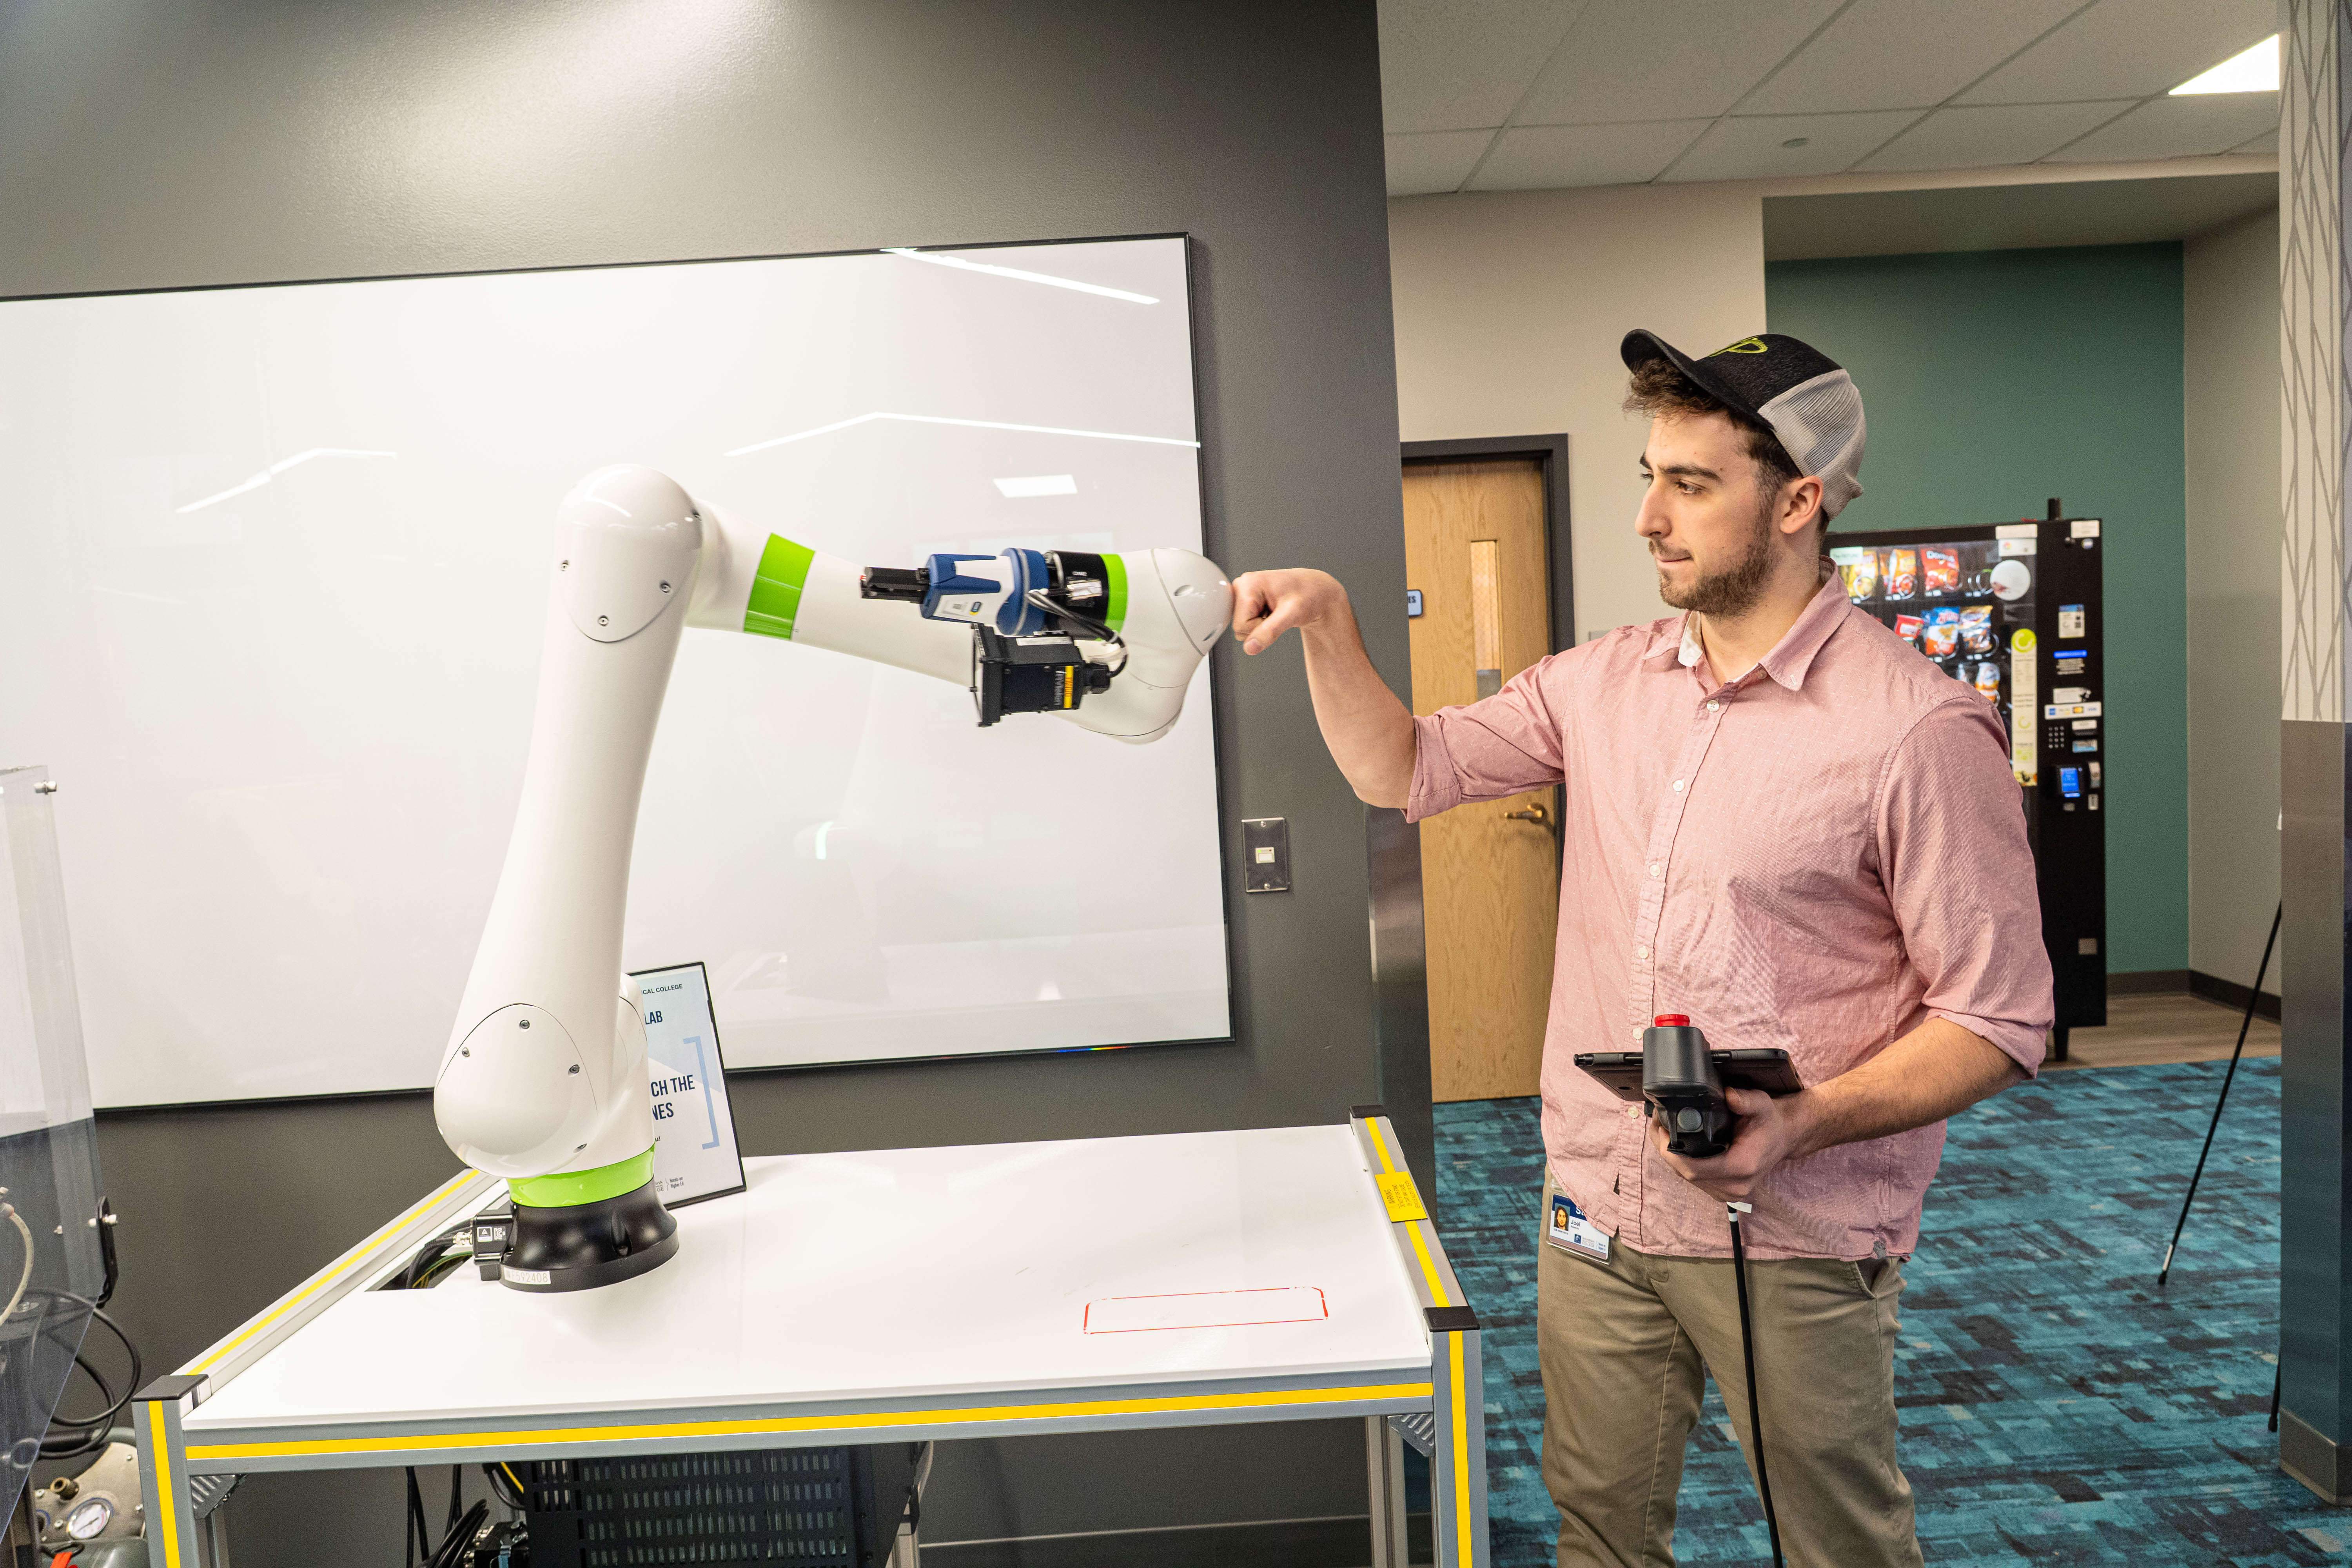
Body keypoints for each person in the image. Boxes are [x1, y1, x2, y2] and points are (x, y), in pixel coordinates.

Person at [1231, 330, 2053, 1566]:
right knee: (1601, 1532)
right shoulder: (1605, 681)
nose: (1647, 519)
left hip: (1791, 1231)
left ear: (1798, 501)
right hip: (1598, 1211)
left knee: (1836, 1544)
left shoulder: (1919, 730)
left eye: (1691, 484)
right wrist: (1330, 625)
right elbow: (1407, 767)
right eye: (1647, 475)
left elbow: (1999, 1018)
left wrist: (1805, 1122)